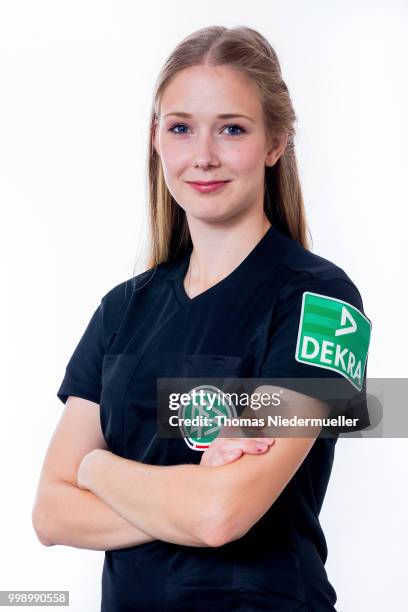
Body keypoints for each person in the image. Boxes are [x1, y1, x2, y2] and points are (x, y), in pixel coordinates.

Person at [32, 25, 372, 612]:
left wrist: (94, 466)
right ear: (156, 140)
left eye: (232, 129)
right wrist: (189, 498)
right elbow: (50, 513)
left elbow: (222, 515)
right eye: (181, 128)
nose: (203, 156)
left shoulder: (325, 305)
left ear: (276, 143)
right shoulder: (121, 309)